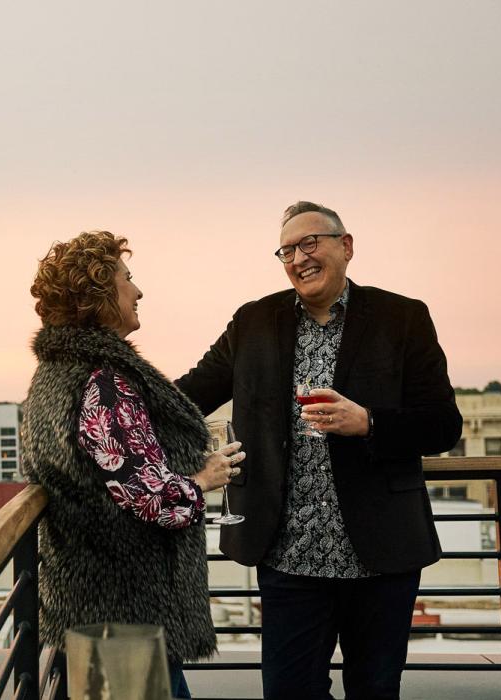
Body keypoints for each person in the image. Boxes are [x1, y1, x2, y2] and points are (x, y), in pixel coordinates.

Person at [175, 201, 463, 699]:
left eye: (310, 243)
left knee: (375, 690)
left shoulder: (404, 318)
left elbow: (443, 424)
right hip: (288, 556)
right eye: (287, 250)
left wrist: (368, 422)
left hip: (381, 555)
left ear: (345, 246)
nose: (298, 257)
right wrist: (108, 401)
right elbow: (187, 396)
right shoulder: (253, 322)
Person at [20, 230, 243, 697]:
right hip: (128, 613)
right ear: (100, 293)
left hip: (90, 603)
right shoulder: (103, 381)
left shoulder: (54, 373)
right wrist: (203, 480)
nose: (138, 291)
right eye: (128, 278)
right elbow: (152, 499)